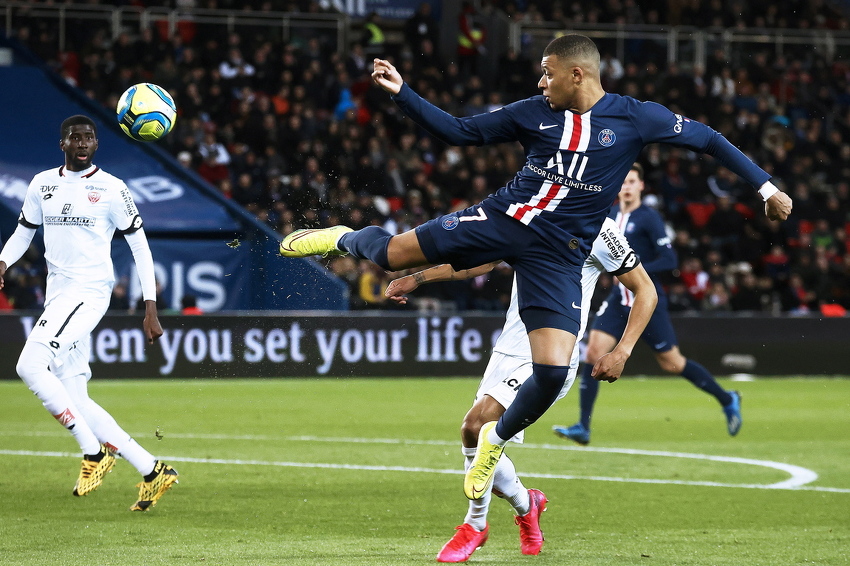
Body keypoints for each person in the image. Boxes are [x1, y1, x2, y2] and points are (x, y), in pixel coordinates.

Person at [279, 34, 792, 501]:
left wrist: (768, 188)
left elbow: (709, 139)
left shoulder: (635, 117)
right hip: (504, 221)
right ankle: (340, 236)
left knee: (550, 374)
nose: (539, 81)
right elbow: (460, 132)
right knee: (391, 254)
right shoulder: (532, 113)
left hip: (560, 253)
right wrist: (402, 92)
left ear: (578, 74)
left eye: (548, 72)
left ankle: (493, 445)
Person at [385, 218, 656, 562]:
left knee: (476, 425)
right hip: (509, 347)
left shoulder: (598, 228)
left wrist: (622, 351)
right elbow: (479, 262)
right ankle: (528, 504)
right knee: (474, 434)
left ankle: (475, 525)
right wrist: (417, 277)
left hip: (551, 354)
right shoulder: (529, 212)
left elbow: (646, 289)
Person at [0, 115, 178, 511]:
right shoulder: (42, 184)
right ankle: (152, 470)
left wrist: (150, 307)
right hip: (59, 294)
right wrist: (2, 262)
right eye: (74, 137)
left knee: (30, 366)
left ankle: (94, 453)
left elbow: (140, 248)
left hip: (89, 292)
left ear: (96, 144)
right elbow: (24, 232)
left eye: (88, 138)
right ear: (61, 143)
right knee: (76, 397)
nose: (81, 143)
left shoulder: (113, 189)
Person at [553, 163, 743, 446]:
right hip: (619, 300)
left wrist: (631, 269)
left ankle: (727, 398)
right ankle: (583, 425)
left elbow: (669, 259)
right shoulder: (612, 214)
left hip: (646, 299)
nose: (626, 187)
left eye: (632, 182)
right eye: (623, 182)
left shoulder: (649, 218)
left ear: (641, 186)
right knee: (594, 352)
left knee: (672, 363)